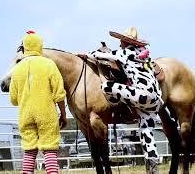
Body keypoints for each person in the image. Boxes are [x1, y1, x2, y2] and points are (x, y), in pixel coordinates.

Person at [78, 27, 163, 173]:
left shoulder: (125, 53)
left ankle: (119, 108)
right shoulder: (144, 55)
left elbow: (101, 56)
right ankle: (153, 167)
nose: (120, 44)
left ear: (125, 42)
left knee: (106, 86)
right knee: (146, 133)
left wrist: (85, 54)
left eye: (121, 41)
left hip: (142, 95)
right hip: (156, 99)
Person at [9, 30, 67, 174]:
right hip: (46, 114)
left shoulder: (17, 69)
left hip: (26, 115)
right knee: (49, 150)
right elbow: (59, 94)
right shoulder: (49, 64)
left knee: (29, 151)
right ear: (40, 46)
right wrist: (63, 115)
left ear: (25, 47)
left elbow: (13, 100)